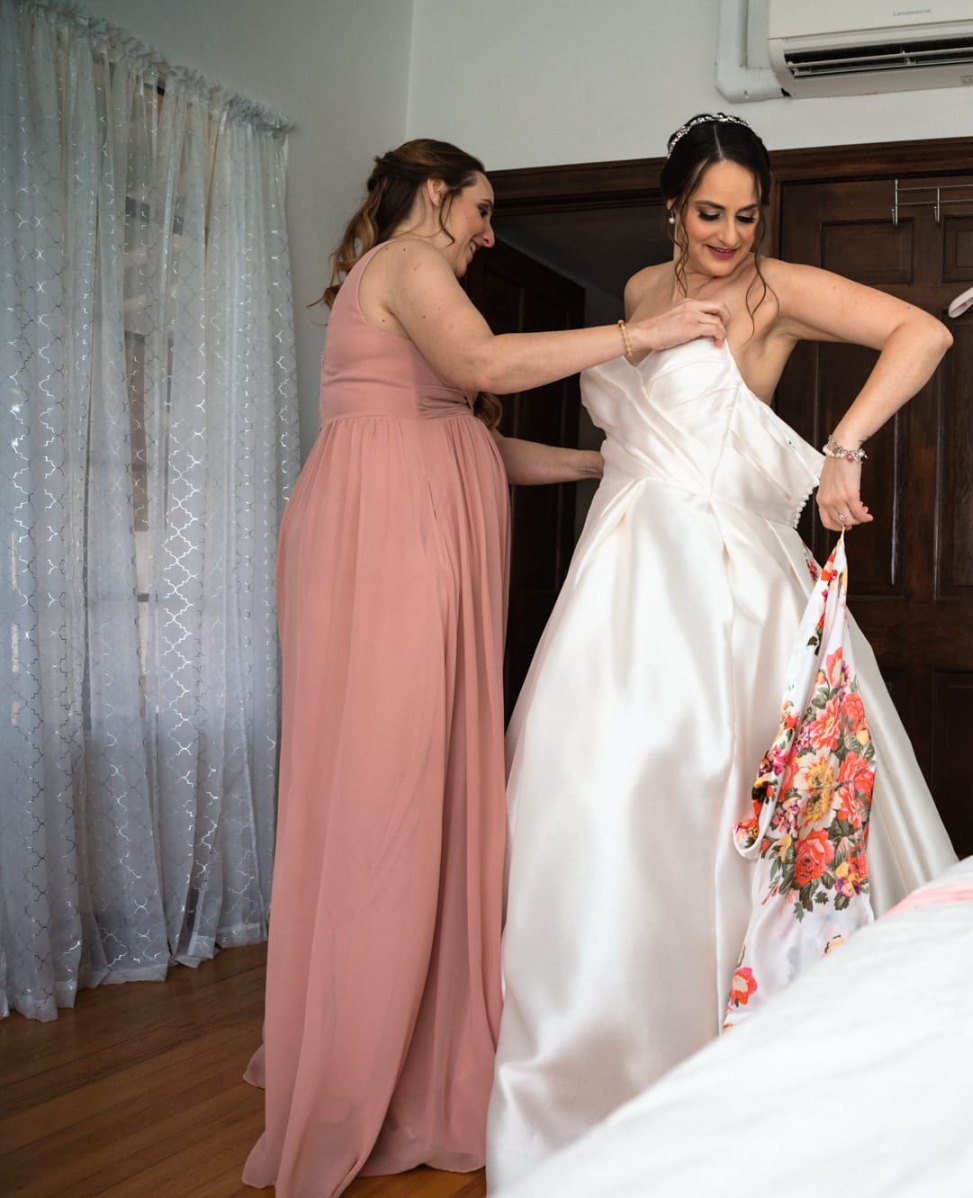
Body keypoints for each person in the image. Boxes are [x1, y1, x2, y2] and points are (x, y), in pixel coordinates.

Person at [244, 138, 729, 1198]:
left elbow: (472, 435)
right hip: (386, 547)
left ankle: (408, 1039)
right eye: (481, 209)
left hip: (410, 534)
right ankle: (360, 1060)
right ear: (435, 195)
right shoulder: (407, 261)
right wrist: (642, 333)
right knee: (389, 794)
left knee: (430, 790)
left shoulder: (413, 286)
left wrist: (609, 463)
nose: (488, 232)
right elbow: (485, 369)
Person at [485, 114, 959, 1186]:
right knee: (598, 795)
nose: (730, 236)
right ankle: (607, 1053)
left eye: (747, 216)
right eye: (710, 213)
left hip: (723, 584)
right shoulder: (639, 292)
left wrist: (844, 445)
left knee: (728, 796)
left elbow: (921, 334)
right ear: (673, 207)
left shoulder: (769, 293)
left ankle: (753, 1060)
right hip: (618, 576)